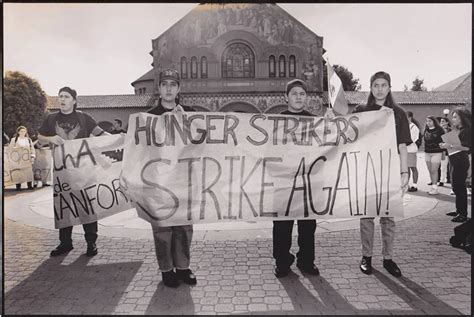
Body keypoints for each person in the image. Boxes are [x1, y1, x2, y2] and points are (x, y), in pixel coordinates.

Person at [38, 86, 109, 257]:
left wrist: (121, 138)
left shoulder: (84, 118)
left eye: (66, 96)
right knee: (63, 206)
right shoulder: (51, 119)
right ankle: (65, 243)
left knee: (87, 206)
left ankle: (91, 243)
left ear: (74, 100)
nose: (62, 99)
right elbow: (39, 138)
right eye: (60, 96)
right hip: (62, 172)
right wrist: (50, 138)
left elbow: (100, 134)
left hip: (84, 171)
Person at [352, 71, 411, 277]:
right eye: (375, 85)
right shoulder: (361, 110)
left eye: (383, 85)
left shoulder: (398, 113)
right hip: (367, 170)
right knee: (366, 216)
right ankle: (366, 257)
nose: (379, 89)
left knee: (388, 218)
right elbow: (350, 138)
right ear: (371, 87)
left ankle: (388, 258)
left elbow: (402, 145)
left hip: (390, 169)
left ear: (389, 87)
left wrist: (404, 172)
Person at [145, 69, 197, 288]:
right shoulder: (148, 116)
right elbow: (141, 149)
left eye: (172, 84)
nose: (168, 88)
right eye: (164, 84)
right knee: (163, 227)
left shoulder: (191, 114)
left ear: (178, 89)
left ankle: (183, 268)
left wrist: (183, 120)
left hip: (184, 177)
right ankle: (167, 269)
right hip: (159, 180)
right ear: (159, 88)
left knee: (184, 226)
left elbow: (200, 144)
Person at [272, 79, 319, 278]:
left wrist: (333, 124)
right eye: (294, 93)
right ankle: (282, 261)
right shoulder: (276, 121)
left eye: (302, 93)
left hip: (308, 181)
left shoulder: (315, 121)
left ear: (306, 97)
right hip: (283, 181)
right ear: (286, 97)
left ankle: (306, 261)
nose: (298, 97)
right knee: (282, 225)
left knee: (308, 225)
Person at [440, 107, 471, 222]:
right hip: (454, 159)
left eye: (455, 117)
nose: (452, 119)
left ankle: (463, 214)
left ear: (462, 118)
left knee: (460, 187)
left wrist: (449, 146)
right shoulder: (457, 129)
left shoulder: (467, 130)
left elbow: (467, 147)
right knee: (455, 187)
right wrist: (446, 144)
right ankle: (458, 210)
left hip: (461, 161)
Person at [423, 116, 445, 195]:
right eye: (427, 121)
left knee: (434, 170)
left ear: (434, 121)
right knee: (430, 171)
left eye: (430, 121)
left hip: (437, 152)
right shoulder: (426, 129)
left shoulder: (440, 130)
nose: (428, 123)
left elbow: (444, 141)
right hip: (427, 152)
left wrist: (443, 153)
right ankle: (433, 186)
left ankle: (435, 188)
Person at [9, 126, 35, 190]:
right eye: (21, 131)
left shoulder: (28, 140)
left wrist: (32, 156)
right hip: (18, 159)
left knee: (28, 171)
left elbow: (32, 149)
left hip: (26, 158)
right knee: (18, 172)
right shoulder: (14, 140)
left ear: (26, 132)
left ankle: (29, 185)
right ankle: (18, 186)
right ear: (18, 132)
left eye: (24, 131)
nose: (23, 132)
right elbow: (10, 149)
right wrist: (17, 149)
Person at [406, 111, 420, 192]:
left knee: (413, 167)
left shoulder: (414, 128)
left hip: (411, 150)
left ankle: (414, 185)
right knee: (406, 168)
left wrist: (401, 143)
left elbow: (411, 140)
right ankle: (406, 184)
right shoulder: (405, 126)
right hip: (404, 151)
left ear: (410, 117)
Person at [439, 117, 452, 186]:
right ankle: (442, 180)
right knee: (443, 166)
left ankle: (450, 180)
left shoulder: (450, 130)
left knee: (451, 167)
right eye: (441, 122)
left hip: (451, 151)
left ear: (447, 122)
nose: (442, 123)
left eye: (443, 121)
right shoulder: (439, 131)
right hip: (443, 151)